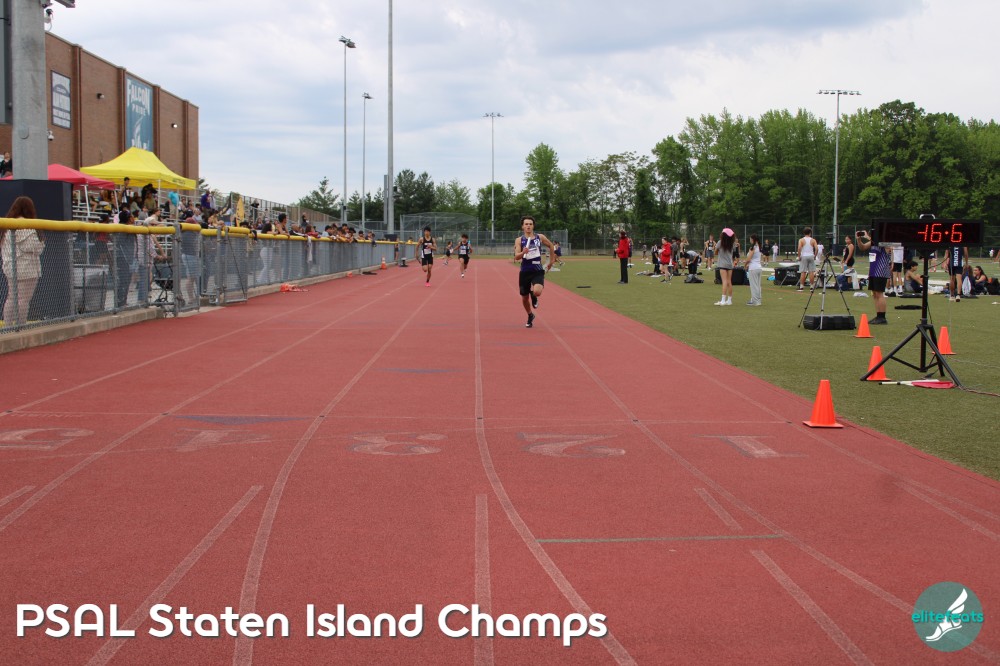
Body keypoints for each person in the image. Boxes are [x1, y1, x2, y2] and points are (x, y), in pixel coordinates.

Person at [1, 196, 44, 326]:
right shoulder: (27, 225)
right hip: (26, 268)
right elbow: (35, 247)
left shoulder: (7, 224)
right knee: (23, 299)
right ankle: (21, 326)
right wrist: (41, 243)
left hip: (10, 266)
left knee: (11, 297)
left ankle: (8, 326)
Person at [514, 216, 555, 328]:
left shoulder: (539, 237)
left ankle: (534, 295)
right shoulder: (519, 240)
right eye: (526, 224)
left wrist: (551, 261)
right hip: (525, 271)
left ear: (533, 226)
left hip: (537, 270)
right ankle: (530, 315)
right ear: (522, 226)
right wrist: (523, 252)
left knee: (537, 291)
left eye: (530, 224)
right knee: (524, 298)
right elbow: (516, 257)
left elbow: (551, 246)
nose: (528, 226)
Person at [856, 230, 890, 325]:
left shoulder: (883, 242)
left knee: (879, 293)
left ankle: (882, 317)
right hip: (873, 271)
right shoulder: (872, 243)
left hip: (880, 271)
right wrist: (859, 240)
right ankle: (878, 315)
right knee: (875, 294)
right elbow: (862, 247)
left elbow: (888, 248)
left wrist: (868, 237)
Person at [714, 228, 736, 306]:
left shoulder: (720, 242)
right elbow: (733, 253)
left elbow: (715, 252)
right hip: (730, 264)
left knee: (724, 281)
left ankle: (723, 300)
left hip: (722, 264)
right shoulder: (732, 243)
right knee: (729, 282)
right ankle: (729, 300)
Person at [744, 233, 763, 306]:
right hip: (758, 267)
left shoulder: (753, 248)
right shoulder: (759, 247)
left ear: (753, 239)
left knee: (753, 285)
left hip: (753, 268)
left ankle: (755, 301)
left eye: (750, 239)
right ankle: (758, 300)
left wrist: (745, 265)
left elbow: (749, 259)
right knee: (758, 285)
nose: (750, 240)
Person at [797, 227, 818, 291]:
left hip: (804, 256)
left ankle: (801, 286)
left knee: (803, 272)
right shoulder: (813, 240)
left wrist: (799, 256)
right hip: (811, 256)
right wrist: (815, 256)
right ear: (810, 233)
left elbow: (799, 248)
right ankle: (811, 286)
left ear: (804, 233)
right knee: (811, 272)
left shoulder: (801, 240)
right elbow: (816, 249)